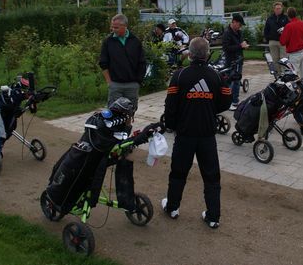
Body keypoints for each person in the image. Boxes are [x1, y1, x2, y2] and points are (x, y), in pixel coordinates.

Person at [161, 37, 232, 229]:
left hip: (184, 134)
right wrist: (210, 108)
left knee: (178, 172)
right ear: (207, 54)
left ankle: (172, 208)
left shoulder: (180, 75)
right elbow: (226, 100)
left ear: (189, 54)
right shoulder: (216, 75)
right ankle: (213, 217)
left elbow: (170, 105)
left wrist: (171, 125)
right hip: (207, 134)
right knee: (212, 176)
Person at [99, 14, 146, 113]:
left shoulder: (135, 41)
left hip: (132, 85)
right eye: (112, 27)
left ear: (125, 26)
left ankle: (128, 124)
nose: (113, 29)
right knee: (114, 113)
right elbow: (103, 63)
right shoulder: (108, 41)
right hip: (115, 85)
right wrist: (109, 82)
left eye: (116, 27)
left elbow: (142, 63)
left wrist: (138, 82)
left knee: (130, 112)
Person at [222, 13, 249, 110]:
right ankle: (228, 102)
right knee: (230, 82)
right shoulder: (227, 33)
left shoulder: (239, 32)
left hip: (239, 60)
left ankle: (235, 101)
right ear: (234, 22)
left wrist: (244, 45)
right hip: (231, 61)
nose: (240, 26)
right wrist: (240, 46)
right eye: (239, 24)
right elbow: (226, 48)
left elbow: (239, 44)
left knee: (237, 81)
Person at [279, 7, 303, 79]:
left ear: (288, 15)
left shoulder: (289, 26)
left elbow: (283, 42)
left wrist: (282, 33)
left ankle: (295, 86)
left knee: (293, 74)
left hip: (294, 53)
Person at [263, 1, 289, 74]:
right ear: (274, 9)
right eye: (277, 8)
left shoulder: (286, 18)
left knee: (284, 59)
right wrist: (268, 38)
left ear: (282, 9)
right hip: (273, 41)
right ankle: (278, 75)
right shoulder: (270, 18)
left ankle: (284, 74)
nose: (278, 10)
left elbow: (289, 29)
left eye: (280, 8)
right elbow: (266, 30)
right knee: (275, 59)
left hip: (283, 42)